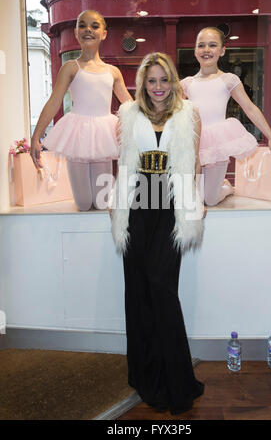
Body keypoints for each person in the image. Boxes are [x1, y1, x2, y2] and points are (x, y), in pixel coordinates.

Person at [110, 52, 205, 415]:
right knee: (138, 290)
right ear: (142, 84)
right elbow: (123, 162)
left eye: (164, 79)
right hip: (136, 203)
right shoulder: (128, 115)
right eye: (152, 80)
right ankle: (146, 375)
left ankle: (176, 381)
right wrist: (114, 202)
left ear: (173, 81)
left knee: (162, 287)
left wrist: (196, 201)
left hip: (170, 202)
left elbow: (193, 161)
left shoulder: (188, 113)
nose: (159, 87)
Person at [30, 10, 132, 211]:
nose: (88, 30)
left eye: (95, 26)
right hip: (78, 135)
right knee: (84, 204)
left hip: (104, 134)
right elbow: (54, 102)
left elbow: (130, 106)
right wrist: (36, 137)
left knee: (102, 203)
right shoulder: (70, 67)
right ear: (76, 32)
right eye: (83, 25)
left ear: (104, 33)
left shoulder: (113, 72)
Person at [180, 26, 271, 206]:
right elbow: (173, 114)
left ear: (222, 50)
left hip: (217, 142)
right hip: (193, 143)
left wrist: (270, 136)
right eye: (201, 45)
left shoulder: (228, 79)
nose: (206, 50)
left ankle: (226, 187)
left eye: (212, 45)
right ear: (195, 50)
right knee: (191, 199)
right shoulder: (187, 84)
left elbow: (249, 108)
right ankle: (212, 187)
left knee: (209, 200)